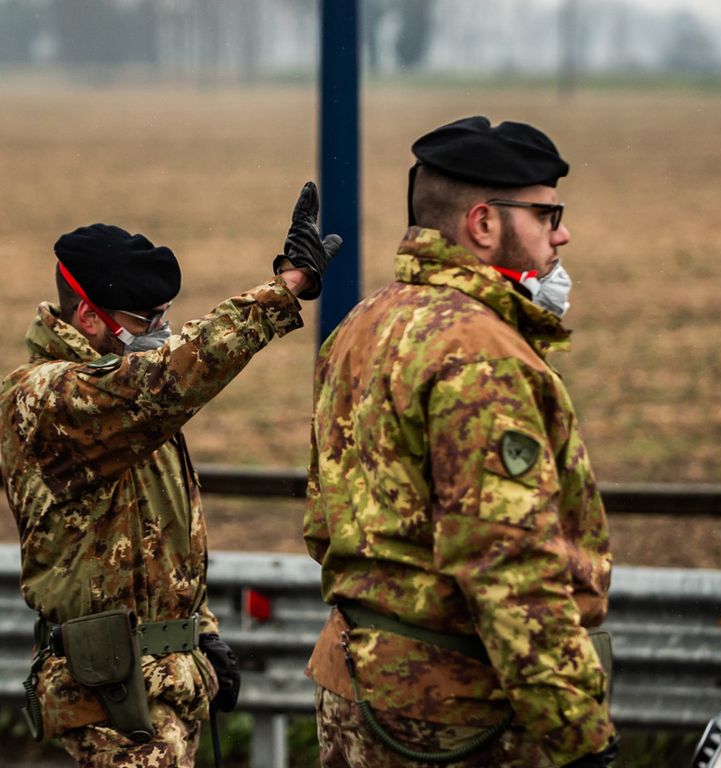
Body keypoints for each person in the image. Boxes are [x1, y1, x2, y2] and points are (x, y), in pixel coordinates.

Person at [303, 117, 618, 767]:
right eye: (545, 213)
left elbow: (321, 523)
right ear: (483, 224)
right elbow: (507, 563)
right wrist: (574, 731)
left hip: (357, 691)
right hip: (458, 717)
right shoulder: (480, 352)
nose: (562, 233)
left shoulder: (363, 323)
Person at [0, 182, 341, 767]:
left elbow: (155, 539)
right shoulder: (49, 398)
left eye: (165, 316)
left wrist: (199, 631)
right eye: (145, 318)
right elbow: (169, 379)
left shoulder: (128, 414)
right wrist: (283, 291)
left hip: (166, 685)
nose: (160, 330)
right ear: (87, 316)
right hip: (109, 697)